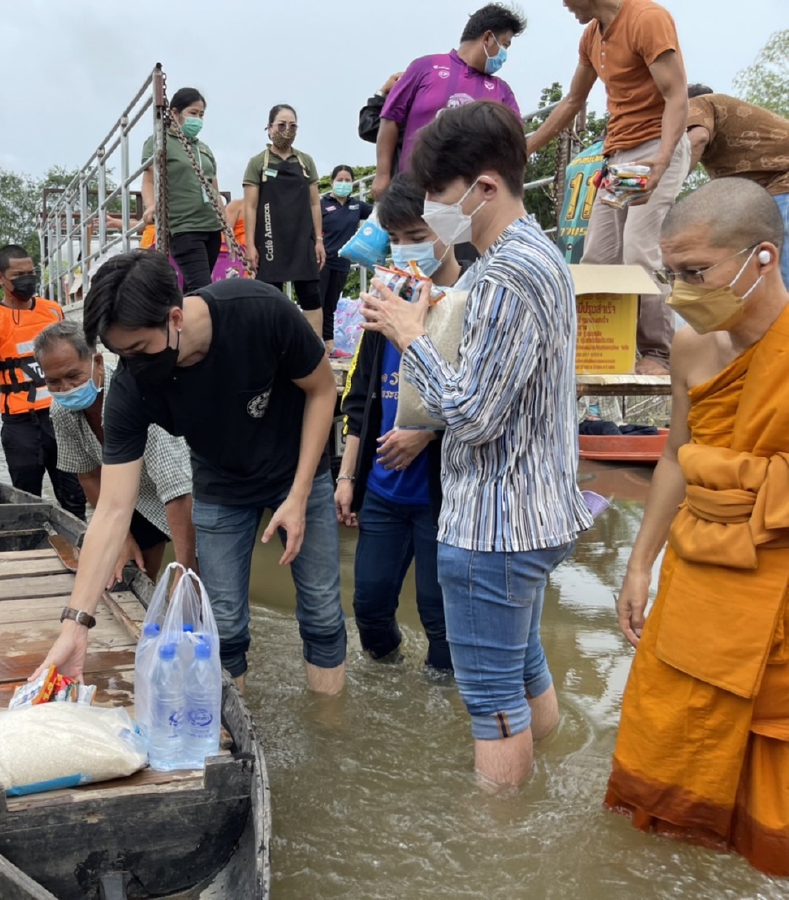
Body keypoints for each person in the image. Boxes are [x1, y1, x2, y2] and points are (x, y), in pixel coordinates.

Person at [361, 101, 592, 787]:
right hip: (538, 511)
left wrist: (408, 332)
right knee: (523, 668)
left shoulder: (503, 274)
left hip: (495, 522)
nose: (432, 211)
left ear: (483, 188)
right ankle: (546, 788)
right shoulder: (539, 254)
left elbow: (472, 413)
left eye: (438, 195)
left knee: (490, 703)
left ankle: (497, 849)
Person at [31, 250, 347, 694]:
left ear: (175, 318)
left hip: (298, 472)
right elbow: (112, 509)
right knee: (222, 620)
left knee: (320, 610)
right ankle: (235, 726)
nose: (132, 364)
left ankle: (329, 728)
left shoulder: (259, 311)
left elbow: (321, 390)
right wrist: (75, 624)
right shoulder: (131, 386)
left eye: (139, 349)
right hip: (219, 483)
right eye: (120, 352)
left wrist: (297, 497)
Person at [605, 178, 789, 878]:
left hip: (776, 582)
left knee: (769, 755)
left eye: (696, 272)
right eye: (671, 274)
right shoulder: (688, 347)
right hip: (696, 573)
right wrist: (639, 563)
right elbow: (678, 457)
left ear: (761, 258)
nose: (680, 291)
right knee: (667, 733)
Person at [336, 173, 460, 672]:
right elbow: (359, 396)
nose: (409, 249)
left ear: (448, 229)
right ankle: (388, 683)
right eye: (399, 239)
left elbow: (489, 402)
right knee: (368, 605)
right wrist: (347, 477)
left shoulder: (467, 304)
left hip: (441, 496)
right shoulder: (385, 303)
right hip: (384, 492)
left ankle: (442, 702)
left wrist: (428, 433)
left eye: (418, 236)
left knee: (439, 615)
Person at [527, 0, 690, 376]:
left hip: (655, 147)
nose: (563, 4)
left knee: (638, 249)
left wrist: (663, 162)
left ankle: (658, 353)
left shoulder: (647, 19)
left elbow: (676, 95)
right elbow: (572, 100)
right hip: (618, 158)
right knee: (598, 258)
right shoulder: (590, 35)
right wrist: (524, 148)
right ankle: (600, 350)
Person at [33, 320, 196, 581]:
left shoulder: (135, 397)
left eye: (74, 376)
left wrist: (185, 568)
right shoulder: (61, 411)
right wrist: (121, 537)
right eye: (53, 381)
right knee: (134, 571)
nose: (66, 389)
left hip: (186, 489)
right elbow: (89, 476)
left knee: (198, 574)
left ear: (97, 362)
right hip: (132, 496)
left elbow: (177, 490)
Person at [0, 245, 87, 519]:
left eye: (31, 273)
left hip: (62, 415)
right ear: (0, 278)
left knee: (75, 497)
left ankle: (82, 551)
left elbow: (79, 365)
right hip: (20, 425)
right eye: (18, 275)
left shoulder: (53, 312)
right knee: (27, 499)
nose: (27, 280)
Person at [371, 3, 525, 201]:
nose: (504, 53)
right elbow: (389, 118)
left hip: (471, 200)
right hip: (414, 193)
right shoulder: (425, 67)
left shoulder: (501, 90)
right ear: (487, 38)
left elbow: (516, 142)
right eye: (504, 44)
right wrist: (382, 175)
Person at [685, 87, 789, 286]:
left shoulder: (697, 104)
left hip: (784, 182)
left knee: (780, 257)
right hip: (769, 188)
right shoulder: (725, 133)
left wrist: (667, 186)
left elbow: (697, 139)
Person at [243, 104, 327, 339]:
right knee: (270, 296)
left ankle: (315, 351)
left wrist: (318, 239)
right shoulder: (258, 163)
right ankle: (270, 351)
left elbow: (314, 203)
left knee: (311, 294)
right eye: (281, 125)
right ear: (269, 129)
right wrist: (250, 245)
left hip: (302, 238)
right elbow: (249, 206)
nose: (286, 130)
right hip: (270, 239)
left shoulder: (305, 162)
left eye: (292, 126)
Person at [140, 87, 223, 295]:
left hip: (211, 227)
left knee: (194, 288)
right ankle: (198, 327)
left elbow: (214, 187)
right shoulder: (160, 141)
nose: (198, 120)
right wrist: (151, 206)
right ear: (175, 113)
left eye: (201, 115)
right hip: (184, 226)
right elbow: (149, 180)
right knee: (202, 287)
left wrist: (225, 225)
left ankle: (184, 326)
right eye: (193, 113)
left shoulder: (203, 148)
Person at [319, 165, 374, 353]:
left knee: (331, 305)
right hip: (322, 261)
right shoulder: (322, 204)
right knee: (317, 303)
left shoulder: (357, 205)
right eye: (340, 180)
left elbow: (379, 215)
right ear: (333, 182)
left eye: (348, 180)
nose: (344, 184)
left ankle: (328, 344)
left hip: (343, 262)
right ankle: (313, 342)